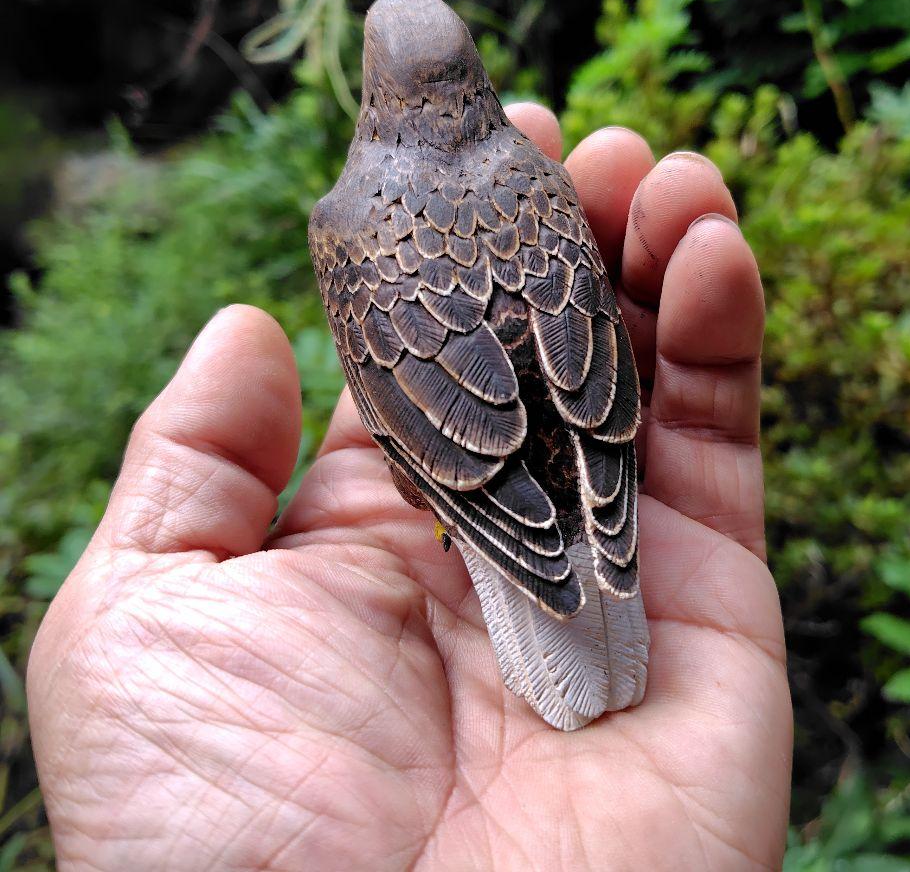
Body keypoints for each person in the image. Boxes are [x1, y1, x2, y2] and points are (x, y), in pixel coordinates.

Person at [27, 109, 792, 870]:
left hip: (469, 450)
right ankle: (553, 551)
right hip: (576, 423)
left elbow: (395, 404)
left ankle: (517, 543)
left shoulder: (346, 224)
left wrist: (468, 500)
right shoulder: (543, 187)